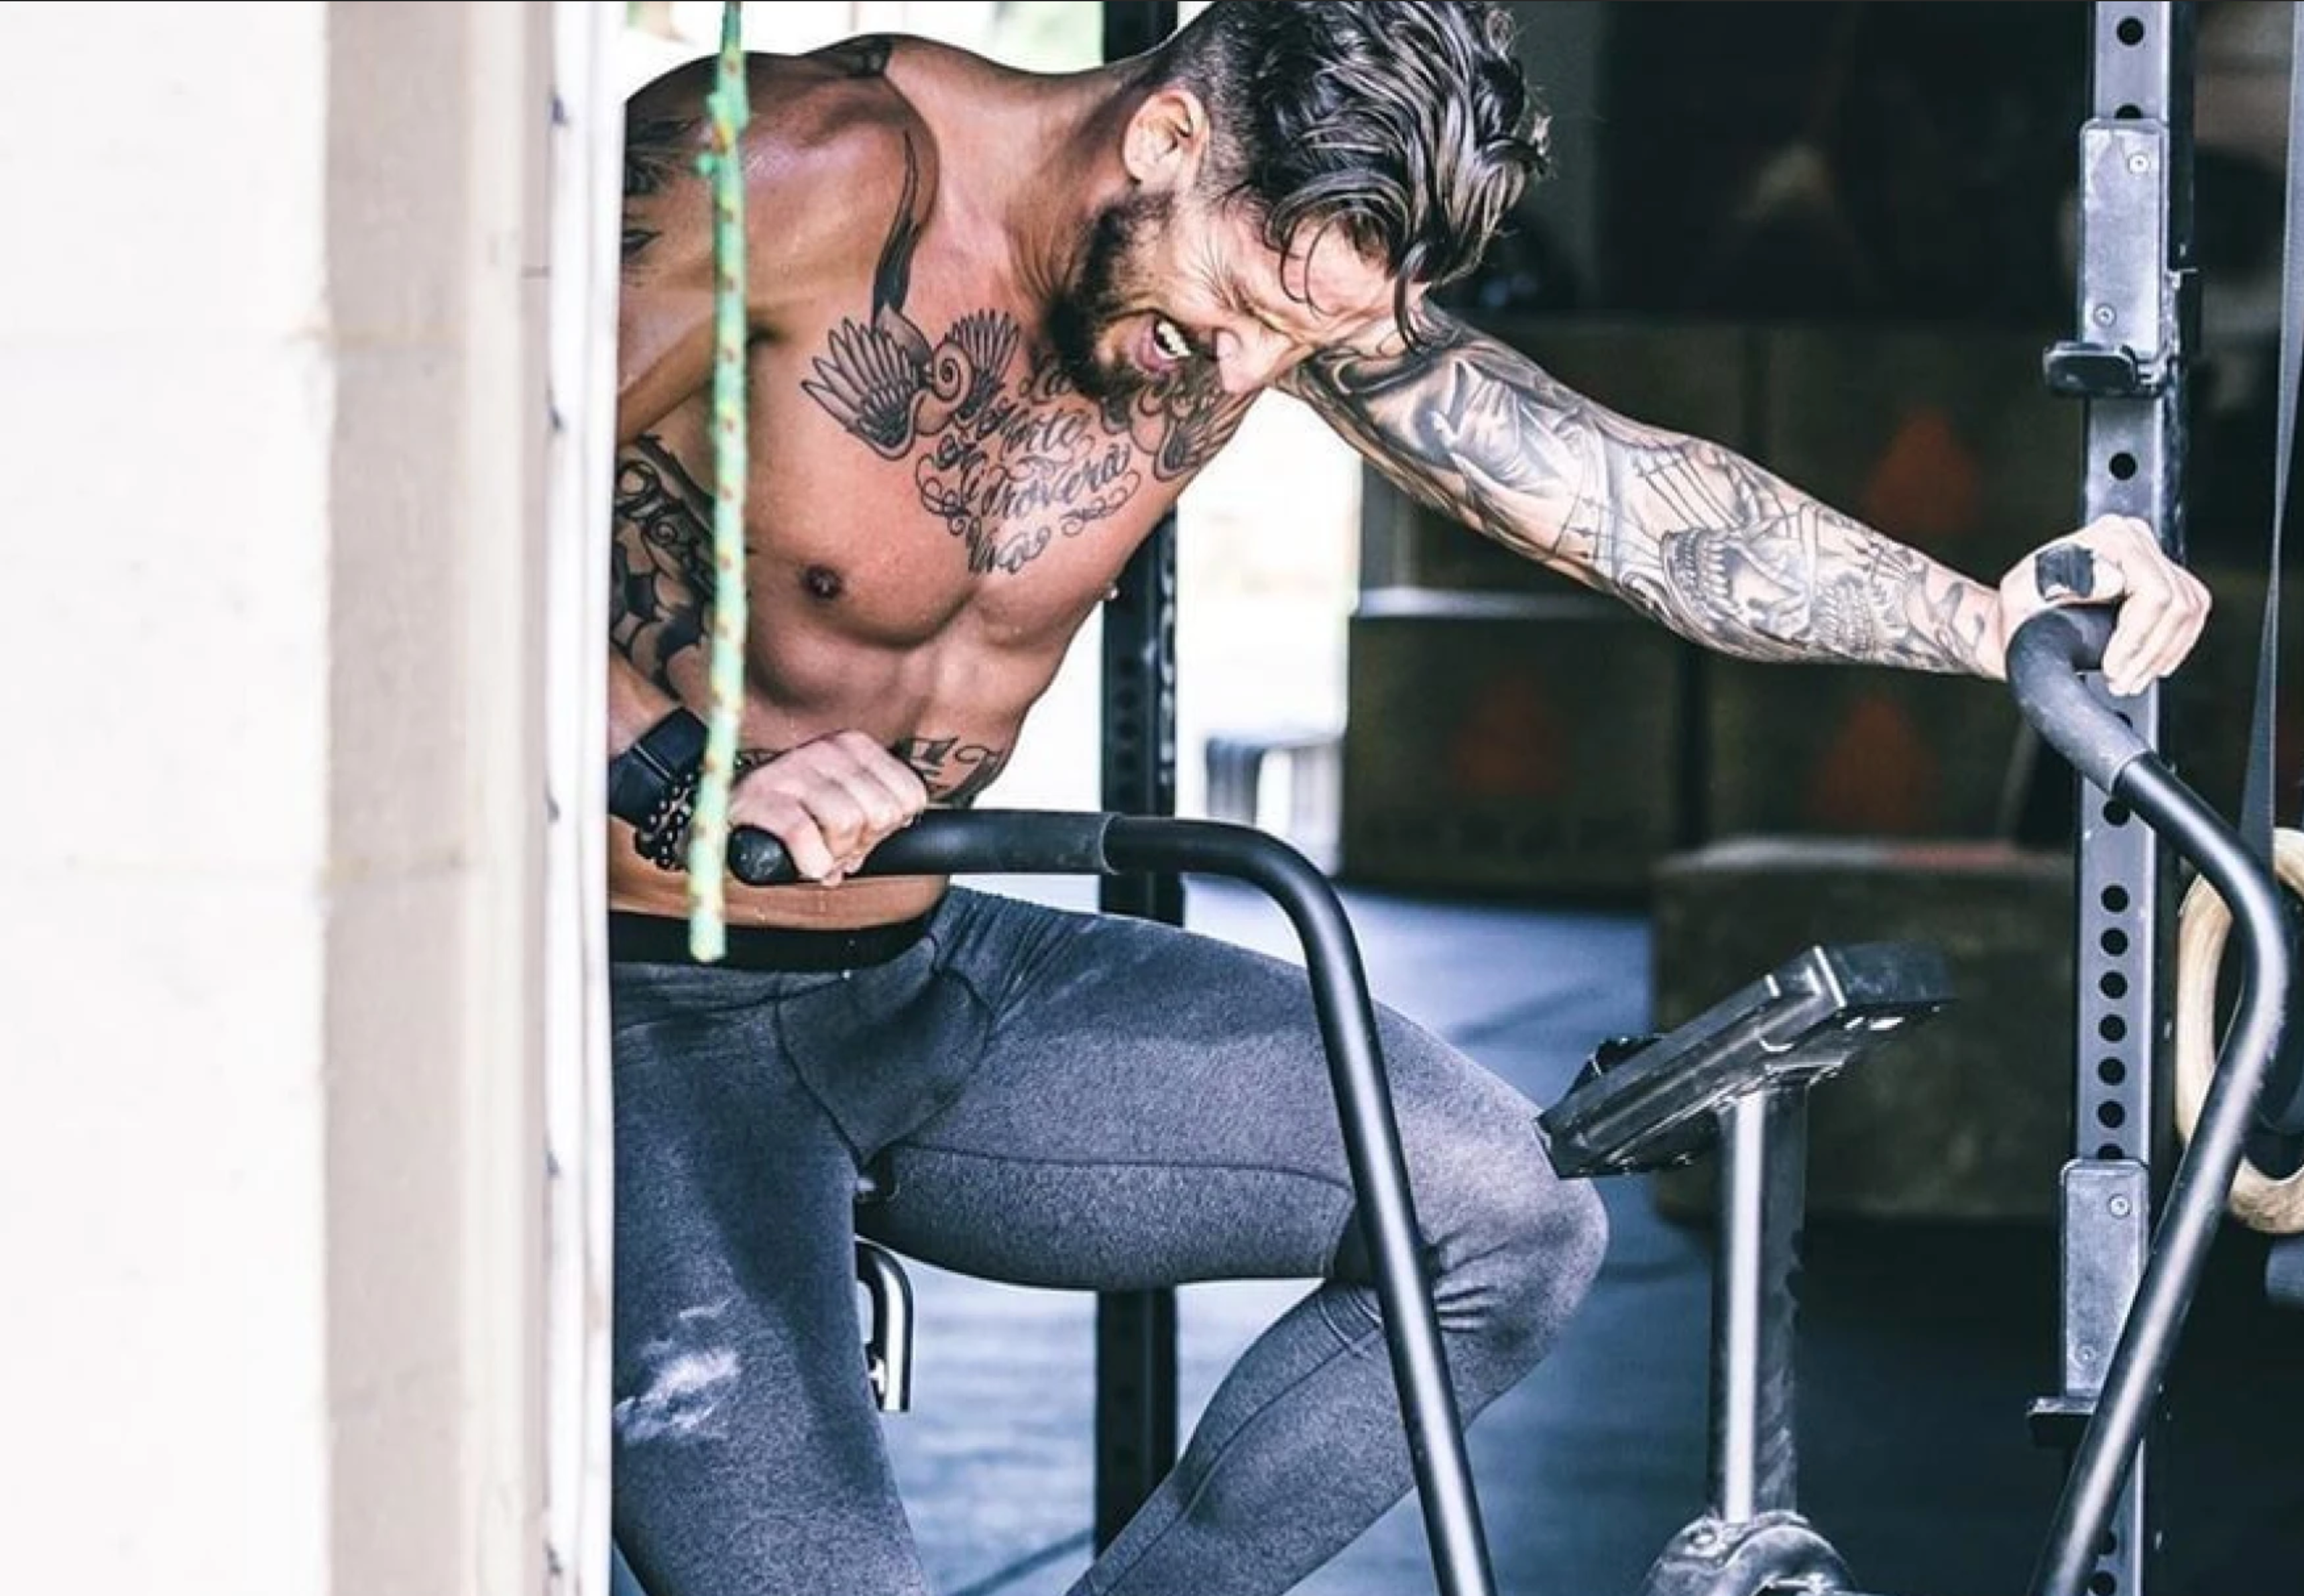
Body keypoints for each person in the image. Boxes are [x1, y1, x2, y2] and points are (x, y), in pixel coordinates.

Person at [603, 5, 2212, 1595]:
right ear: (1166, 138)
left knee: (1506, 1213)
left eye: (1304, 347)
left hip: (910, 971)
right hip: (641, 1014)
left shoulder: (1281, 285)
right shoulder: (792, 168)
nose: (1247, 375)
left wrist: (1989, 621)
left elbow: (1626, 505)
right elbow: (409, 502)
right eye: (1237, 315)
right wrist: (678, 766)